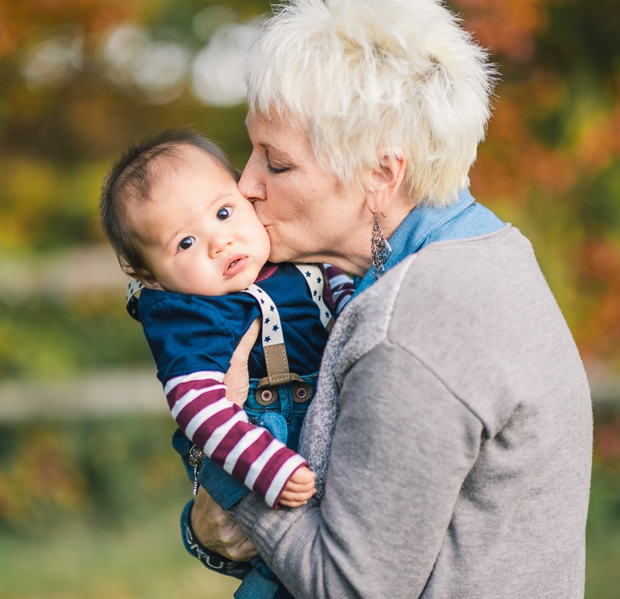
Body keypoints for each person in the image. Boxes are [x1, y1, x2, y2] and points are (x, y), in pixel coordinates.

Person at [187, 0, 594, 598]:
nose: (247, 185)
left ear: (381, 174)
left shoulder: (411, 325)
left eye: (278, 163)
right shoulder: (491, 250)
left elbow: (349, 587)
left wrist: (231, 479)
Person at [99, 129, 354, 598]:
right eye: (186, 242)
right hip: (253, 444)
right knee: (279, 577)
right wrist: (265, 466)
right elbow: (198, 407)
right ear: (148, 275)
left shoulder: (298, 256)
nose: (219, 242)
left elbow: (348, 297)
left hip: (324, 440)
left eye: (223, 213)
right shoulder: (185, 314)